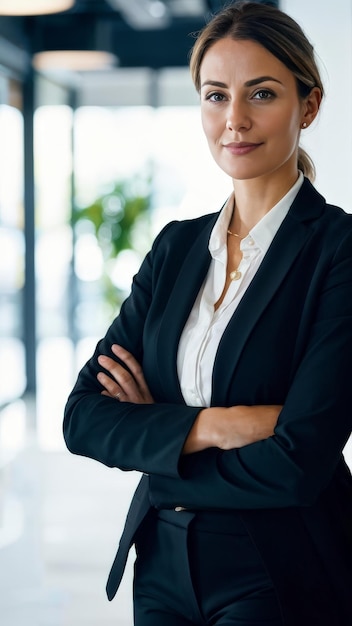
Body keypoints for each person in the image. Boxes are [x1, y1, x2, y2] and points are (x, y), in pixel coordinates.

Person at [63, 2, 352, 624]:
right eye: (216, 96)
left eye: (263, 93)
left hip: (279, 566)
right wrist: (213, 428)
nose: (236, 121)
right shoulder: (175, 247)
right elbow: (83, 416)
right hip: (162, 565)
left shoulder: (339, 251)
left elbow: (300, 464)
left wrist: (159, 447)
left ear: (310, 105)